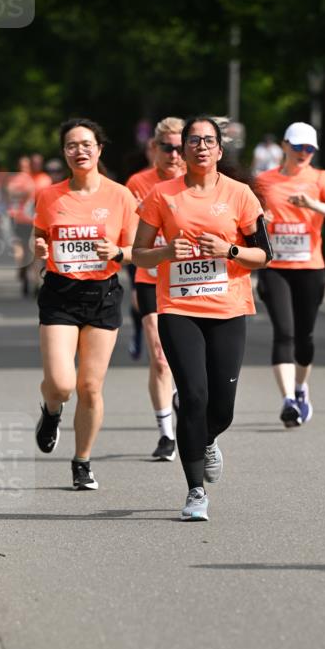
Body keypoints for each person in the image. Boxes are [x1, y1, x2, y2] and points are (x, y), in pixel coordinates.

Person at [133, 115, 272, 521]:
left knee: (221, 407)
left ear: (219, 149)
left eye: (208, 140)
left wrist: (227, 251)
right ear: (185, 147)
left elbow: (264, 254)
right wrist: (164, 253)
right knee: (194, 396)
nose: (200, 147)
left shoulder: (240, 194)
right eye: (193, 140)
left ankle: (208, 438)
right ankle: (196, 492)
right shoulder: (162, 195)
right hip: (179, 308)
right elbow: (138, 253)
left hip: (228, 308)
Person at [33, 118, 138, 490]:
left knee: (90, 386)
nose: (80, 151)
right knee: (61, 385)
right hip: (61, 292)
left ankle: (82, 462)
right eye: (71, 145)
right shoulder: (49, 196)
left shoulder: (120, 196)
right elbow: (40, 236)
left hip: (103, 295)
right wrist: (39, 248)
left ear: (99, 149)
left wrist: (119, 252)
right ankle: (51, 411)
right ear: (64, 153)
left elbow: (138, 249)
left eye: (86, 144)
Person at [254, 122, 325, 427]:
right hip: (275, 268)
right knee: (284, 333)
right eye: (298, 147)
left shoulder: (320, 178)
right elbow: (243, 220)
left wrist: (312, 203)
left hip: (310, 267)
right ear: (284, 146)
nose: (303, 153)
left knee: (305, 338)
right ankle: (287, 402)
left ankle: (299, 389)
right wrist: (261, 219)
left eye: (309, 149)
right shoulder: (262, 181)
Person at [126, 116, 185, 462]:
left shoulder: (197, 182)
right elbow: (132, 235)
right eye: (168, 147)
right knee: (160, 358)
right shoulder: (138, 183)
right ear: (154, 148)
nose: (175, 155)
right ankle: (166, 433)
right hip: (150, 277)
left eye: (180, 148)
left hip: (190, 280)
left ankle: (184, 395)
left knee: (186, 358)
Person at [7, 156, 37, 296]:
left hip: (26, 218)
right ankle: (23, 268)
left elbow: (10, 194)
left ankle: (23, 270)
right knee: (23, 246)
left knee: (25, 247)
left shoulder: (14, 180)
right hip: (19, 217)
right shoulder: (29, 180)